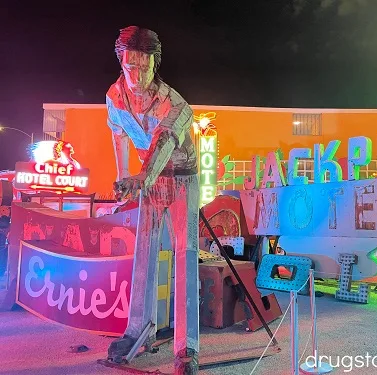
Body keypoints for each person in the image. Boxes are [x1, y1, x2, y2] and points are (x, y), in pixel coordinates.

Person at [105, 26, 199, 373]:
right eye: (132, 66)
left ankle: (187, 346)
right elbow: (117, 133)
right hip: (147, 178)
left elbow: (163, 143)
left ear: (155, 64)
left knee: (184, 255)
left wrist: (140, 178)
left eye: (145, 67)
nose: (138, 75)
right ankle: (136, 331)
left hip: (181, 178)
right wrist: (122, 179)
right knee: (143, 255)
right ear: (122, 61)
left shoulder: (176, 105)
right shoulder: (114, 97)